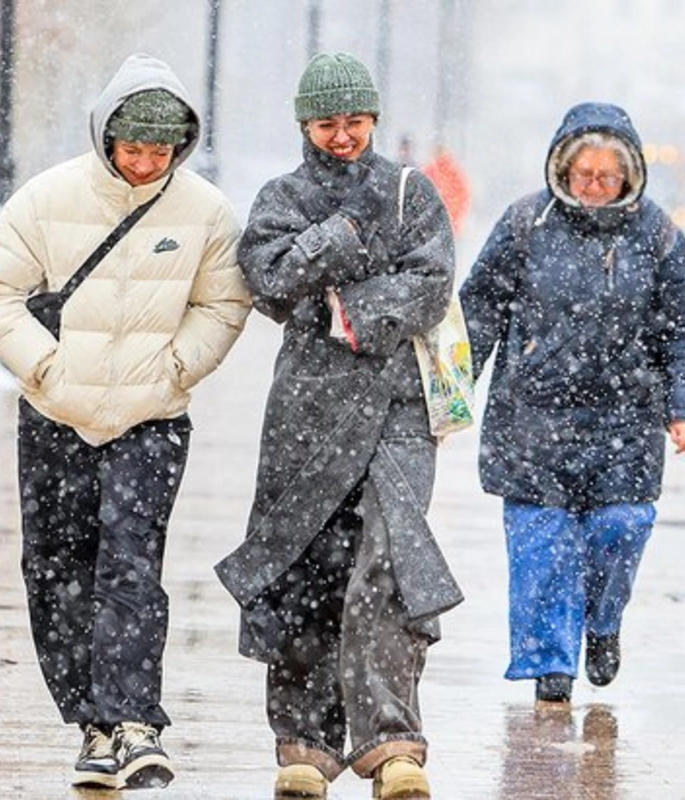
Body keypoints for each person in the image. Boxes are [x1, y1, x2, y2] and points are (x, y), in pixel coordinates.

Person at [0, 53, 252, 790]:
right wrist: (45, 368)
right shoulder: (45, 198)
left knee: (130, 563)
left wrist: (175, 370)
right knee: (55, 567)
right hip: (55, 413)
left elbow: (223, 304)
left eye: (163, 151)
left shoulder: (206, 212)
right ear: (106, 138)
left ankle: (134, 721)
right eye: (134, 149)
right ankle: (90, 722)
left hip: (151, 418)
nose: (148, 163)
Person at [215, 52, 462, 800]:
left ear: (374, 120)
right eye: (329, 122)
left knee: (387, 557)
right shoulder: (280, 195)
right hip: (308, 410)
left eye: (355, 121)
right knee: (306, 562)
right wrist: (344, 240)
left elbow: (431, 281)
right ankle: (306, 743)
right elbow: (268, 277)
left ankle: (392, 743)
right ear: (304, 124)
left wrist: (344, 308)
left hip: (396, 406)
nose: (344, 135)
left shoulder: (412, 193)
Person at [459, 102, 685, 707]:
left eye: (608, 176)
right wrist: (447, 397)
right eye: (584, 175)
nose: (595, 187)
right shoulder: (526, 223)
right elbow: (478, 311)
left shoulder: (655, 234)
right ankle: (551, 667)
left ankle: (601, 624)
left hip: (624, 419)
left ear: (629, 176)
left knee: (620, 529)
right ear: (562, 170)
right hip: (532, 418)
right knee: (541, 543)